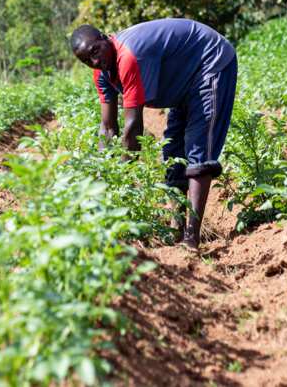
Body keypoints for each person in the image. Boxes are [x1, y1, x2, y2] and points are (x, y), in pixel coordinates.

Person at [70, 17, 238, 249]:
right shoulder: (102, 72)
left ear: (105, 37)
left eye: (95, 51)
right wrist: (104, 174)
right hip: (182, 82)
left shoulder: (128, 57)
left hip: (210, 61)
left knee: (199, 148)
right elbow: (108, 128)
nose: (95, 60)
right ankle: (175, 228)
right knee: (173, 152)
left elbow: (133, 127)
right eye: (87, 60)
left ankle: (191, 237)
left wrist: (123, 181)